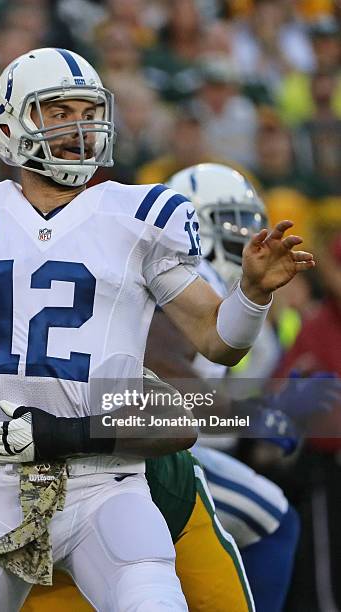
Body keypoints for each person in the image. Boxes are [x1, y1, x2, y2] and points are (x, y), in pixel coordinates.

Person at [0, 47, 313, 611]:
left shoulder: (138, 216)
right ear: (11, 124)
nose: (79, 124)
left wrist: (251, 295)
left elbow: (220, 343)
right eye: (57, 110)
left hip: (109, 483)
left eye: (86, 108)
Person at [0, 276, 252, 612]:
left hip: (163, 506)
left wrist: (60, 432)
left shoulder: (60, 365)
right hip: (31, 542)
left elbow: (177, 422)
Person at [145, 162, 339, 611]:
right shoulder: (190, 279)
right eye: (232, 222)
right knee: (273, 519)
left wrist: (269, 408)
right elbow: (164, 375)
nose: (248, 236)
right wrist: (259, 415)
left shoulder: (241, 298)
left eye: (252, 221)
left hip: (169, 445)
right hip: (143, 452)